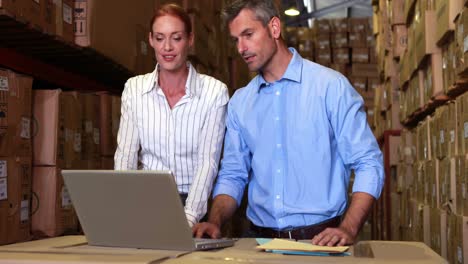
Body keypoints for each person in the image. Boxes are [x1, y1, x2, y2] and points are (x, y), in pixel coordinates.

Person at [192, 0, 384, 246]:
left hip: (321, 241)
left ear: (274, 28)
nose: (241, 48)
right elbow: (233, 174)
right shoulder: (240, 102)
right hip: (259, 242)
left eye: (248, 34)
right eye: (235, 39)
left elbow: (368, 162)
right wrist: (215, 220)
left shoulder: (330, 88)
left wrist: (348, 227)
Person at [114, 3, 229, 227]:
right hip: (145, 201)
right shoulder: (134, 89)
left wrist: (189, 217)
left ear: (190, 39)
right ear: (150, 40)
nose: (167, 47)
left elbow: (208, 162)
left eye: (176, 38)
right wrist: (124, 207)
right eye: (159, 38)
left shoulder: (214, 92)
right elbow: (125, 156)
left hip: (193, 204)